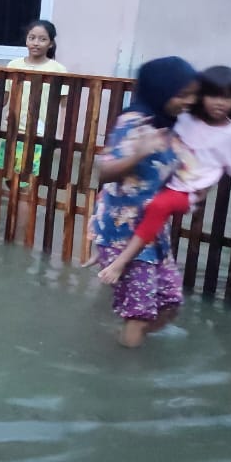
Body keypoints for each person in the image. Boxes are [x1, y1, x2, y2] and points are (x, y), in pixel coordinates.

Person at [96, 66, 231, 285]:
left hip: (189, 191)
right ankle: (105, 247)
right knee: (134, 201)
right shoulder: (185, 119)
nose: (220, 103)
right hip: (170, 182)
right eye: (212, 96)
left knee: (158, 207)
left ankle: (120, 262)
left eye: (227, 98)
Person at [88, 56, 198, 348]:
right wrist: (139, 152)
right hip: (122, 232)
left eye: (192, 95)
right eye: (182, 94)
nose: (189, 101)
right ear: (162, 90)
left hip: (151, 230)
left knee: (170, 301)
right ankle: (125, 371)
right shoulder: (134, 123)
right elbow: (105, 171)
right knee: (138, 312)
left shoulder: (172, 126)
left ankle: (122, 341)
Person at [0, 20, 67, 240]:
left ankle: (18, 238)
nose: (36, 43)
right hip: (12, 132)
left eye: (42, 39)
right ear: (26, 40)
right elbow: (3, 99)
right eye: (32, 37)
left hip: (37, 137)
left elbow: (63, 106)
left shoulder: (57, 70)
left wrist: (56, 135)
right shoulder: (14, 64)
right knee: (6, 180)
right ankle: (0, 230)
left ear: (51, 43)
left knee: (27, 189)